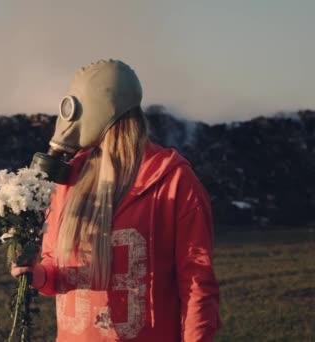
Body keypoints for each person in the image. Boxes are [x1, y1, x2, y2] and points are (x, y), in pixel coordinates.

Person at [11, 59, 222, 341]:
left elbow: (197, 284)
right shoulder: (70, 179)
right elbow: (56, 268)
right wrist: (38, 276)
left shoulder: (173, 182)